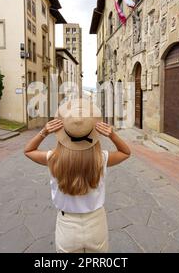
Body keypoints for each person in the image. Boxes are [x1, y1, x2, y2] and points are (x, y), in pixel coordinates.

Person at [24, 99, 131, 253]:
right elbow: (126, 152)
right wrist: (112, 135)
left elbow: (28, 150)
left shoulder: (53, 158)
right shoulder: (101, 158)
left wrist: (44, 132)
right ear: (93, 133)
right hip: (96, 223)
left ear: (63, 134)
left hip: (66, 225)